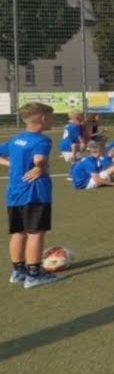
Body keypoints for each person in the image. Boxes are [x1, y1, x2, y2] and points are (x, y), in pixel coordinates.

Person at [1, 102, 60, 288]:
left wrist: (11, 165)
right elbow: (39, 159)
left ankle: (18, 271)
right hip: (35, 193)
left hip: (14, 193)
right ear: (43, 118)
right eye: (51, 117)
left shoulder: (17, 139)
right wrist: (40, 168)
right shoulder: (42, 141)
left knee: (18, 232)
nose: (53, 120)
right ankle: (34, 274)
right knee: (36, 233)